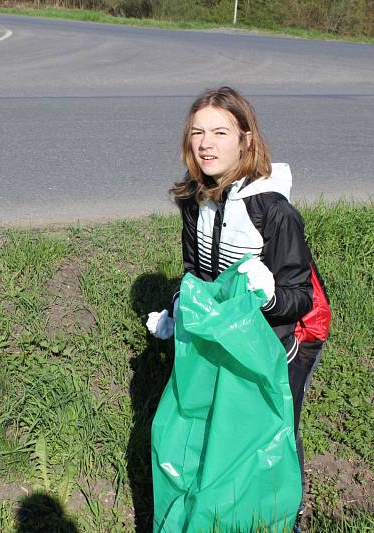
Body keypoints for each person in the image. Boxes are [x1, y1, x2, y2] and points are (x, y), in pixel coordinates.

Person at [146, 86, 330, 530]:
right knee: (221, 432)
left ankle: (287, 517)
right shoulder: (195, 200)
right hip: (228, 336)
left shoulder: (274, 211)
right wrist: (180, 309)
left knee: (273, 432)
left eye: (220, 132)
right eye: (197, 133)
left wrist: (267, 296)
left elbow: (300, 298)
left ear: (246, 139)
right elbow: (195, 273)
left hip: (283, 339)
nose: (206, 143)